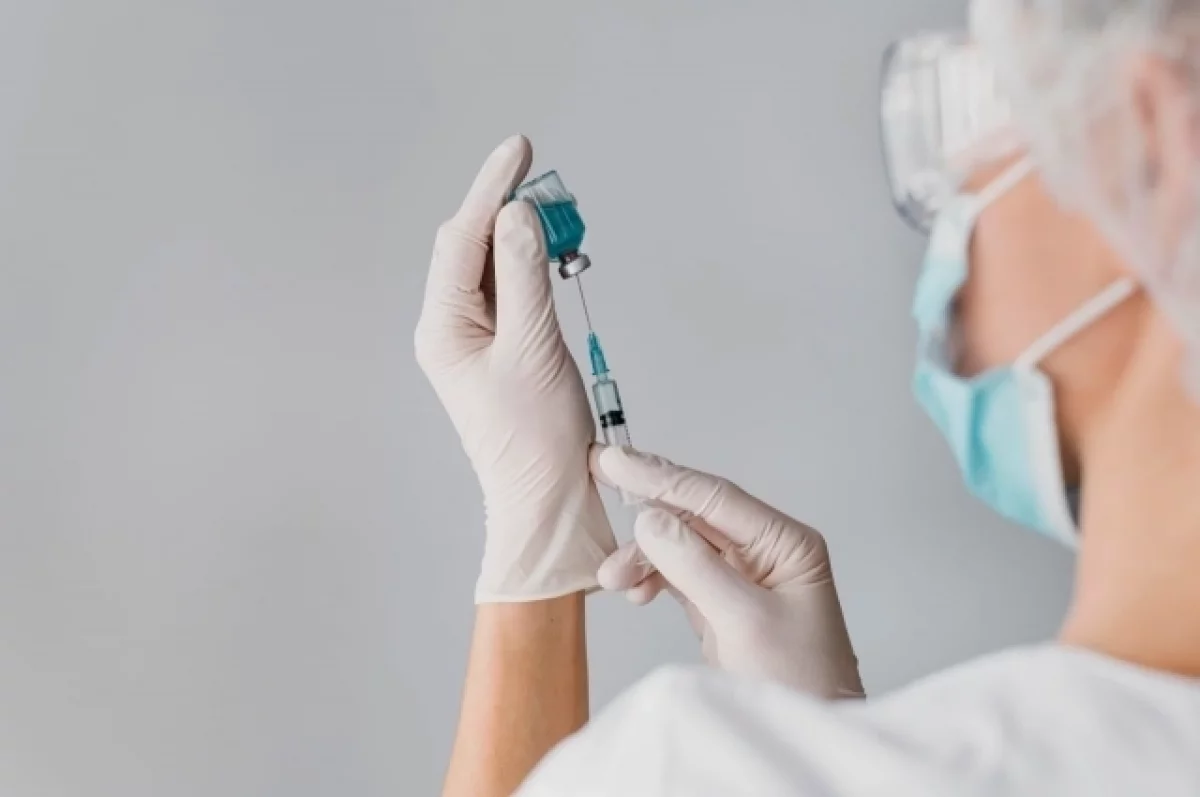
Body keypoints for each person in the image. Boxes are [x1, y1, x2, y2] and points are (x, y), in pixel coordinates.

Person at [415, 1, 1200, 794]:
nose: (956, 192)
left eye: (981, 104)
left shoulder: (689, 764)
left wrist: (536, 555)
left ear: (1153, 141)